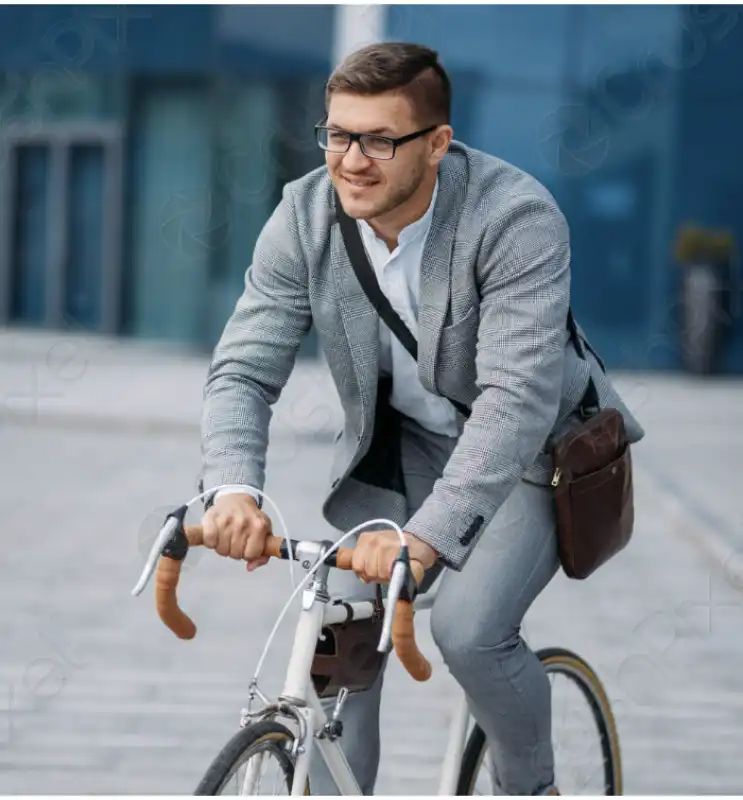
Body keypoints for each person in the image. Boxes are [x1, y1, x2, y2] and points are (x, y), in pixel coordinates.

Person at [198, 41, 644, 796]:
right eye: (338, 134)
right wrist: (232, 488)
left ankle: (529, 787)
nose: (352, 161)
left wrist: (429, 537)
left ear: (437, 144)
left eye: (380, 139)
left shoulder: (515, 218)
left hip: (530, 457)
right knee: (339, 627)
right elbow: (243, 367)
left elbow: (515, 400)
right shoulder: (303, 216)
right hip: (397, 455)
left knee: (468, 633)